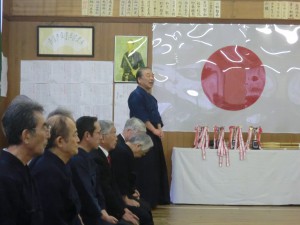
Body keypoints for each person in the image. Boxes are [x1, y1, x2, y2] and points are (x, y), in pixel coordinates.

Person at [91, 120, 152, 225]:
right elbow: (106, 188)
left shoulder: (106, 154)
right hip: (104, 207)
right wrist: (122, 209)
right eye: (113, 133)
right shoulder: (101, 156)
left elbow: (113, 183)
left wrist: (123, 207)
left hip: (112, 202)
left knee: (144, 209)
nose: (116, 137)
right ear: (102, 137)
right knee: (142, 215)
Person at [0, 95, 50, 225]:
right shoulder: (5, 177)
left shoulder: (22, 167)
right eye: (44, 128)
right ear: (26, 136)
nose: (48, 135)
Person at [30, 107, 82, 225]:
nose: (78, 140)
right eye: (75, 135)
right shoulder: (47, 172)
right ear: (60, 141)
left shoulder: (62, 163)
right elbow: (52, 219)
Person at [128, 67, 170, 208]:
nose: (151, 78)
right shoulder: (135, 95)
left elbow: (156, 116)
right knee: (145, 168)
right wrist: (153, 130)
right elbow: (142, 116)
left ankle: (156, 198)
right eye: (148, 75)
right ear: (139, 80)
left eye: (152, 75)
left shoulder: (151, 97)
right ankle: (145, 199)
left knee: (155, 168)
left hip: (154, 135)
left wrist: (159, 129)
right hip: (142, 136)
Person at [69, 116, 122, 225]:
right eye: (98, 133)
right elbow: (87, 194)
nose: (100, 137)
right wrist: (101, 214)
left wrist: (103, 211)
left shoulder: (89, 158)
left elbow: (98, 191)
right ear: (87, 135)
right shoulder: (77, 160)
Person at [110, 123, 154, 225]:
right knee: (143, 213)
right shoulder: (123, 153)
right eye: (143, 152)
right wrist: (126, 198)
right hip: (117, 197)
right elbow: (118, 179)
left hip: (120, 193)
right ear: (138, 146)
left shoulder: (125, 151)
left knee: (145, 207)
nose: (142, 155)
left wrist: (131, 191)